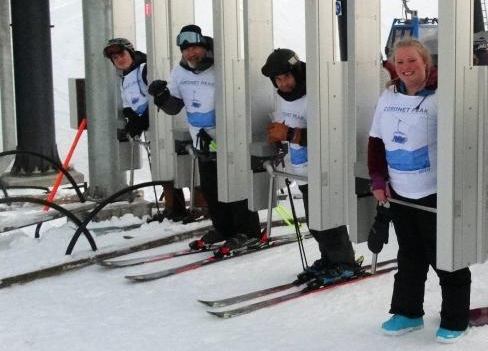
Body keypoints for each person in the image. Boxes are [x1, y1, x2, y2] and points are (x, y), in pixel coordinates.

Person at [368, 38, 471, 343]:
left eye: (412, 61)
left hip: (436, 192)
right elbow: (376, 141)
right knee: (410, 256)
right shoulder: (388, 96)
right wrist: (377, 179)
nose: (406, 67)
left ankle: (456, 318)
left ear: (426, 63)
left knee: (447, 257)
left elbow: (459, 141)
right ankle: (407, 312)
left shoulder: (442, 95)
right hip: (401, 191)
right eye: (400, 62)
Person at [147, 24, 262, 252]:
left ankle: (248, 231)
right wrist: (161, 96)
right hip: (201, 140)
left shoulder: (221, 67)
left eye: (195, 48)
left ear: (204, 46)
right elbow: (175, 106)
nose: (191, 54)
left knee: (235, 185)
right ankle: (223, 228)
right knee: (211, 187)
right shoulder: (180, 71)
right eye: (186, 50)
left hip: (228, 138)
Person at [261, 48, 361, 281]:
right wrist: (278, 135)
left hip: (324, 170)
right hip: (303, 171)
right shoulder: (284, 98)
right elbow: (287, 128)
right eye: (278, 79)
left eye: (286, 77)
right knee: (315, 223)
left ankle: (344, 262)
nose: (283, 83)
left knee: (329, 220)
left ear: (297, 72)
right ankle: (328, 258)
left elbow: (329, 134)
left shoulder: (316, 95)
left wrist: (291, 134)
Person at [103, 38, 188, 221]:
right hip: (151, 130)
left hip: (163, 124)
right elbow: (129, 104)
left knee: (175, 165)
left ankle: (198, 205)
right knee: (160, 167)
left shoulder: (144, 69)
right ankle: (173, 207)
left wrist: (142, 120)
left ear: (131, 53)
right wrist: (133, 121)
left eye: (122, 54)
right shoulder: (124, 78)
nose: (119, 59)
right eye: (115, 57)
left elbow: (155, 97)